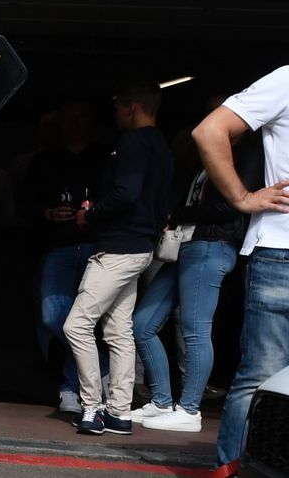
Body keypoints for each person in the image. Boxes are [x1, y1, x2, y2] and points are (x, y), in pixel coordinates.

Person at [129, 96, 260, 433]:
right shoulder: (208, 151)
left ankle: (188, 411)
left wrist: (180, 214)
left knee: (195, 330)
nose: (215, 117)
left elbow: (232, 205)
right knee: (143, 323)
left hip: (213, 245)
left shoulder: (247, 153)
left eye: (222, 112)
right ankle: (161, 401)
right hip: (188, 244)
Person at [64, 82, 172, 436]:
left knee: (76, 325)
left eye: (116, 108)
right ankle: (119, 412)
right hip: (142, 246)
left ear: (130, 106)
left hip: (119, 247)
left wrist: (90, 215)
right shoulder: (162, 145)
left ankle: (92, 407)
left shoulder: (133, 142)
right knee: (118, 331)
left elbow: (125, 192)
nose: (113, 115)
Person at [194, 65, 289, 466]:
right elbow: (208, 131)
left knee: (261, 376)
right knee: (262, 376)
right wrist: (241, 197)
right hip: (281, 251)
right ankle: (234, 470)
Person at [22, 100, 107, 413]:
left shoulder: (105, 157)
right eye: (67, 118)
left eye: (80, 117)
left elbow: (121, 199)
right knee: (54, 317)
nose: (73, 124)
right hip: (57, 246)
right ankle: (104, 363)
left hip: (97, 247)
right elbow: (23, 205)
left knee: (86, 322)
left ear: (91, 120)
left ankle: (71, 387)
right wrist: (47, 213)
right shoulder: (45, 160)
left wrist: (94, 213)